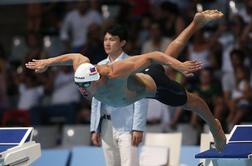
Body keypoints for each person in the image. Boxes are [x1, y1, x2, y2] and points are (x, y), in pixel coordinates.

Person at [26, 10, 226, 152]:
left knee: (195, 103)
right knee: (168, 55)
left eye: (87, 86)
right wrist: (47, 62)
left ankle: (215, 127)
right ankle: (195, 23)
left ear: (96, 77)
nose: (84, 91)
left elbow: (153, 55)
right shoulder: (82, 69)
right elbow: (72, 56)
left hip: (154, 87)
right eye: (81, 87)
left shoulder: (115, 71)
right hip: (138, 82)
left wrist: (178, 66)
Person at [90, 25, 147, 166]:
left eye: (112, 39)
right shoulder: (99, 66)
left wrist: (138, 127)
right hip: (105, 126)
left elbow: (141, 95)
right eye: (105, 39)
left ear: (122, 43)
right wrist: (94, 128)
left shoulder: (133, 63)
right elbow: (96, 99)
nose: (107, 43)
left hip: (127, 125)